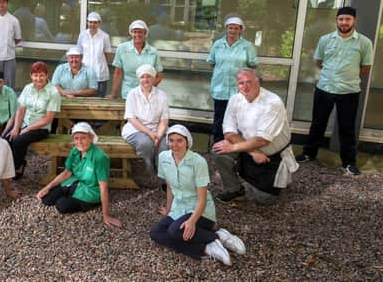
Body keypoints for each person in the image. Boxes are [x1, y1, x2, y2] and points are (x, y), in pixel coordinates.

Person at [150, 124, 245, 266]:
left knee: (175, 231)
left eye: (179, 140)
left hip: (201, 211)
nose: (175, 145)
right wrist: (168, 210)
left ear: (187, 141)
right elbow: (169, 187)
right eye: (171, 140)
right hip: (178, 209)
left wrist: (192, 221)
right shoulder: (164, 157)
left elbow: (202, 198)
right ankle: (209, 245)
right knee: (155, 233)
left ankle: (219, 235)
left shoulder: (198, 162)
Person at [297, 6, 373, 175]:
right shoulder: (325, 40)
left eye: (348, 19)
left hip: (349, 90)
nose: (344, 22)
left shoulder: (364, 42)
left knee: (347, 128)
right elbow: (319, 61)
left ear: (354, 21)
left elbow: (366, 66)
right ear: (336, 21)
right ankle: (309, 153)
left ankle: (348, 163)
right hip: (325, 88)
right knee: (318, 123)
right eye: (341, 19)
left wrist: (348, 75)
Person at [212, 68, 299, 205]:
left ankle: (271, 182)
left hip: (272, 155)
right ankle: (234, 189)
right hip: (249, 147)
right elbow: (229, 132)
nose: (245, 87)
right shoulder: (235, 99)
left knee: (264, 200)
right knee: (219, 151)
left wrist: (234, 147)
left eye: (249, 82)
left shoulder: (273, 102)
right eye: (241, 83)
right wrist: (253, 152)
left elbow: (263, 139)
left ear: (258, 82)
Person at [36, 122, 122, 227]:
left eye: (83, 138)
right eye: (76, 138)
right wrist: (47, 187)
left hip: (90, 192)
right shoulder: (75, 151)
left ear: (90, 137)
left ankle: (93, 203)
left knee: (61, 205)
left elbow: (103, 188)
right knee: (47, 199)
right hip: (76, 183)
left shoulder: (100, 157)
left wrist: (106, 215)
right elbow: (67, 172)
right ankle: (69, 193)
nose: (79, 142)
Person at [207, 16, 258, 144]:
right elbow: (212, 62)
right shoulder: (218, 44)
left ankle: (237, 145)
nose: (233, 31)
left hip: (239, 89)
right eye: (230, 28)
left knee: (238, 118)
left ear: (241, 30)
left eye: (236, 28)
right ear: (226, 29)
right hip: (220, 87)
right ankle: (218, 143)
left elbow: (253, 65)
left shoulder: (247, 46)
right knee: (219, 117)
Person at [7, 62, 61, 179]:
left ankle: (14, 168)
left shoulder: (53, 92)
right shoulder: (28, 88)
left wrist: (27, 129)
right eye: (35, 75)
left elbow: (48, 119)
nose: (38, 78)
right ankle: (14, 165)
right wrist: (16, 127)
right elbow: (21, 110)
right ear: (31, 76)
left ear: (47, 75)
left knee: (18, 141)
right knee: (8, 138)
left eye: (41, 75)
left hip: (41, 128)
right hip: (25, 123)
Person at [121, 64, 169, 179]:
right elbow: (132, 119)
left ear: (154, 78)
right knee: (146, 143)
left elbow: (164, 119)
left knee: (164, 146)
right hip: (136, 129)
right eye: (142, 77)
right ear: (138, 79)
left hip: (157, 129)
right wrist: (150, 133)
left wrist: (158, 136)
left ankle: (162, 176)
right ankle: (148, 171)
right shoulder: (132, 94)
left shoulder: (162, 95)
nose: (145, 80)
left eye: (149, 77)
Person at [108, 19, 163, 99]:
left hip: (147, 95)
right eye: (134, 32)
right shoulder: (122, 48)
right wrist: (113, 94)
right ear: (131, 33)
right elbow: (118, 73)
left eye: (140, 32)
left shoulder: (153, 52)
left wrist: (147, 86)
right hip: (128, 94)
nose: (137, 34)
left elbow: (159, 76)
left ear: (145, 34)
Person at [77, 12, 111, 97]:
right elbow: (79, 53)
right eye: (90, 22)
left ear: (99, 23)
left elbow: (107, 54)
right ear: (87, 23)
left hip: (100, 73)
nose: (92, 24)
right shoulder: (82, 35)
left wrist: (101, 64)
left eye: (95, 22)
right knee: (84, 100)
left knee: (99, 100)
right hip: (85, 73)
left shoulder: (105, 36)